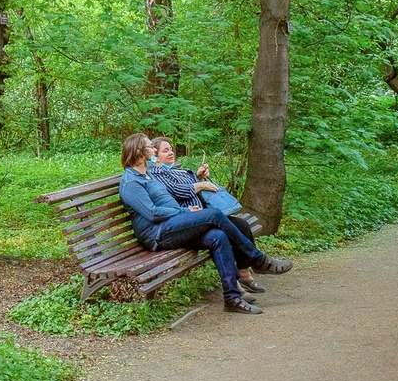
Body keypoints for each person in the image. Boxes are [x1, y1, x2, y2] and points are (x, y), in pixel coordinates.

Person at [118, 132, 292, 315]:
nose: (153, 149)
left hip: (173, 224)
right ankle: (258, 259)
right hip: (158, 233)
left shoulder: (148, 175)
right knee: (214, 215)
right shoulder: (131, 182)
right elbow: (152, 213)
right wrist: (184, 211)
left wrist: (189, 200)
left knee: (218, 236)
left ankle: (232, 298)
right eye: (149, 146)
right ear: (138, 151)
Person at [149, 136, 266, 295]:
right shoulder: (157, 172)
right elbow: (177, 191)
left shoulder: (173, 169)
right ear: (155, 155)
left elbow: (185, 185)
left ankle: (244, 274)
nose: (171, 153)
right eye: (165, 150)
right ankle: (240, 279)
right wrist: (201, 184)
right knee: (220, 235)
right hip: (186, 219)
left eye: (171, 149)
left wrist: (198, 177)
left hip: (199, 214)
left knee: (242, 224)